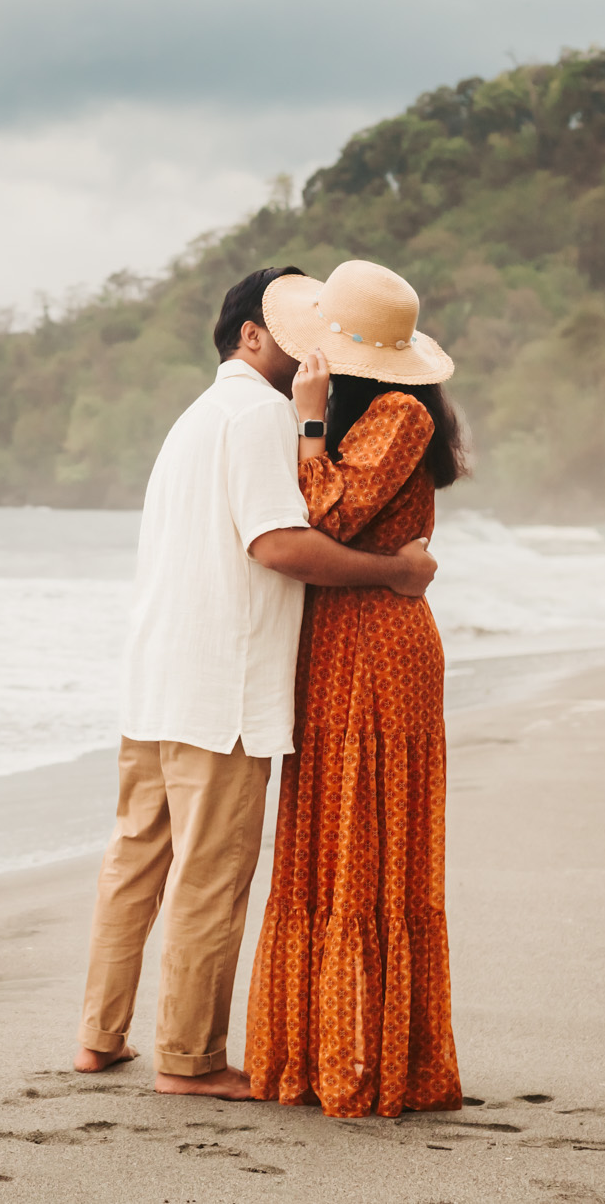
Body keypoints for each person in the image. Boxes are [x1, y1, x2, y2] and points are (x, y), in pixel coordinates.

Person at [74, 265, 439, 1100]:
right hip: (223, 687)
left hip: (156, 677)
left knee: (134, 864)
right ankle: (189, 1060)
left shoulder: (194, 418)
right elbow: (280, 544)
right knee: (211, 875)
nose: (315, 347)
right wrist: (390, 573)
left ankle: (99, 1037)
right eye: (295, 330)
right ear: (249, 336)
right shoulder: (261, 419)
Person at [245, 259, 469, 1117]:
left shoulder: (399, 412)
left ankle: (364, 1058)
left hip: (378, 645)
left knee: (361, 843)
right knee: (330, 838)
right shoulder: (370, 412)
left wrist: (306, 423)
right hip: (343, 634)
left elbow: (326, 514)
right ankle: (316, 1050)